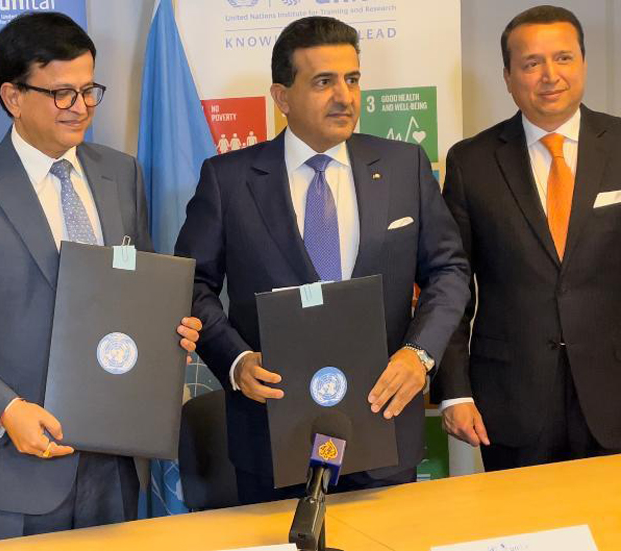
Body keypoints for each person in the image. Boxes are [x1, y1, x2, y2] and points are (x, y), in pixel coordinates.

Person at [0, 12, 201, 544]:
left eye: (89, 91)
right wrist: (6, 411)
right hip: (11, 470)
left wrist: (169, 330)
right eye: (62, 93)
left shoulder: (121, 173)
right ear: (13, 97)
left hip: (114, 461)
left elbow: (138, 292)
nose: (82, 107)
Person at [174, 16, 470, 504]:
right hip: (273, 433)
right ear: (282, 97)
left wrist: (419, 354)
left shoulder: (404, 166)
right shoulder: (228, 180)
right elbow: (191, 284)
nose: (344, 96)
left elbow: (449, 271)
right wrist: (236, 360)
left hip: (384, 425)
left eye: (352, 79)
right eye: (323, 82)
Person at [433, 5, 621, 470]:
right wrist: (455, 391)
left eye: (563, 58)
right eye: (532, 63)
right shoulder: (471, 162)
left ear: (583, 63)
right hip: (512, 400)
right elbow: (451, 284)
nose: (550, 75)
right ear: (508, 77)